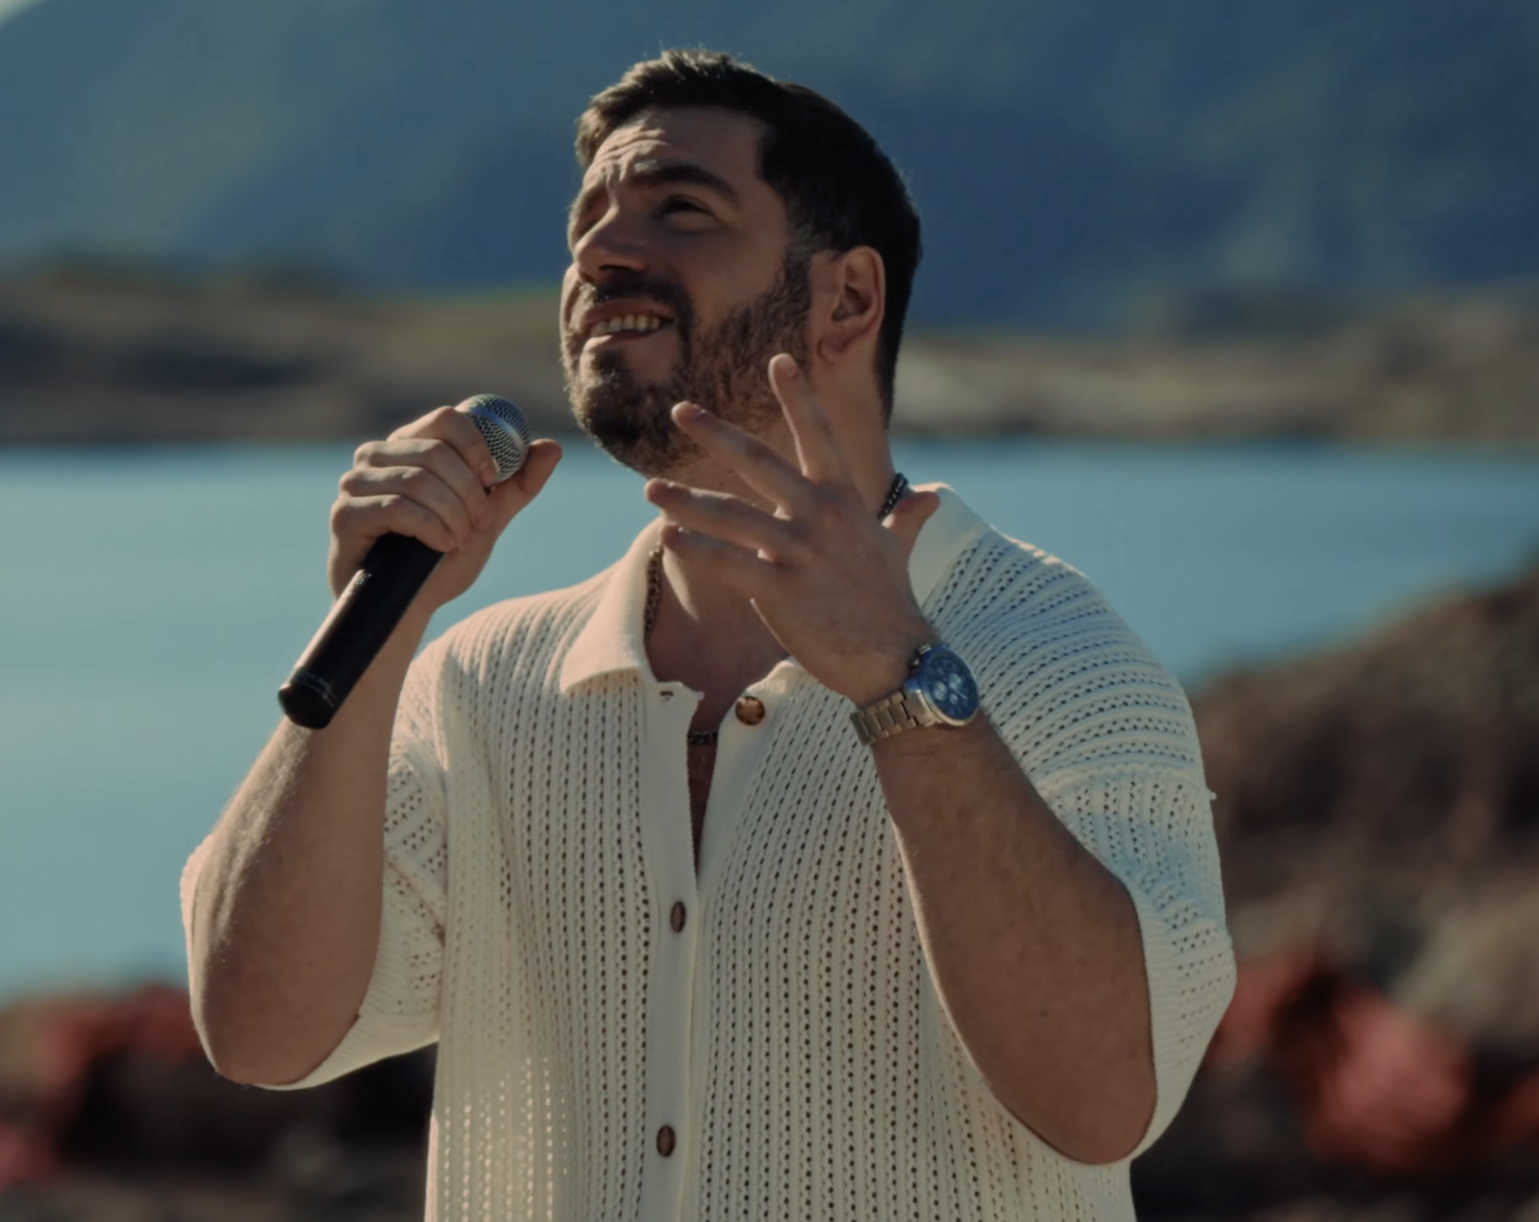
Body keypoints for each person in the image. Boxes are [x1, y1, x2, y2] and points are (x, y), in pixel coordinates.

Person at [181, 49, 1234, 1221]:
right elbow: (259, 1031)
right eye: (584, 222)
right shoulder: (480, 680)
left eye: (678, 209)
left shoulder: (1062, 661)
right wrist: (378, 627)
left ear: (847, 300)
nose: (599, 251)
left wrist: (899, 682)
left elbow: (1105, 1097)